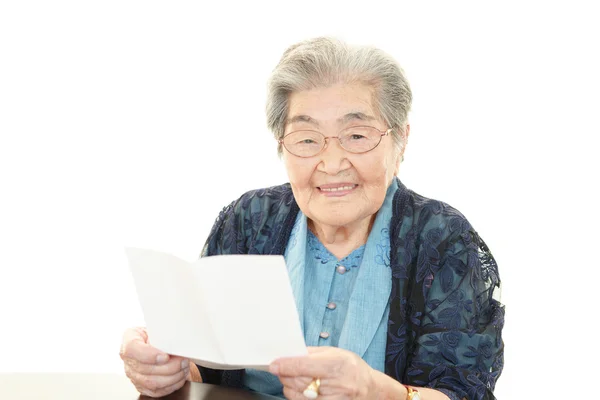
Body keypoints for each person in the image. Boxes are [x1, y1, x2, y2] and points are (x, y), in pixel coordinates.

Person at [119, 37, 504, 400]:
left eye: (356, 135)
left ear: (401, 141)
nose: (332, 163)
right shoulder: (249, 221)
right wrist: (166, 367)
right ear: (282, 147)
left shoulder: (442, 239)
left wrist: (376, 391)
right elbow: (207, 367)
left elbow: (462, 391)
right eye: (306, 138)